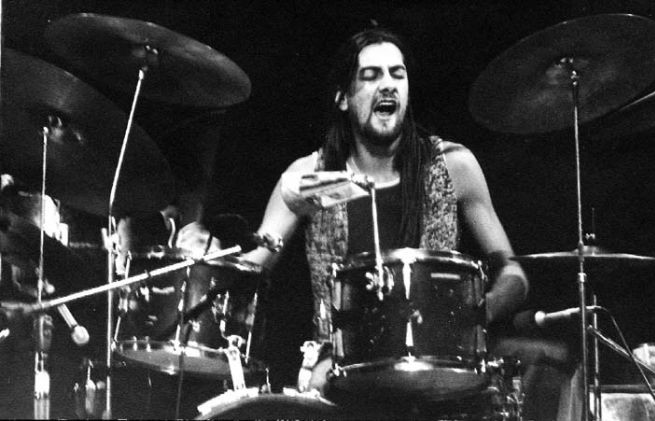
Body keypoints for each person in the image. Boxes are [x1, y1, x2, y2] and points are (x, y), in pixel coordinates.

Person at [177, 27, 578, 420]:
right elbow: (256, 264)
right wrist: (210, 255)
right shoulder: (310, 176)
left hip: (437, 369)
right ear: (343, 98)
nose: (387, 85)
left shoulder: (454, 165)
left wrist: (472, 315)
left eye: (396, 74)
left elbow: (513, 273)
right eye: (370, 76)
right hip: (340, 370)